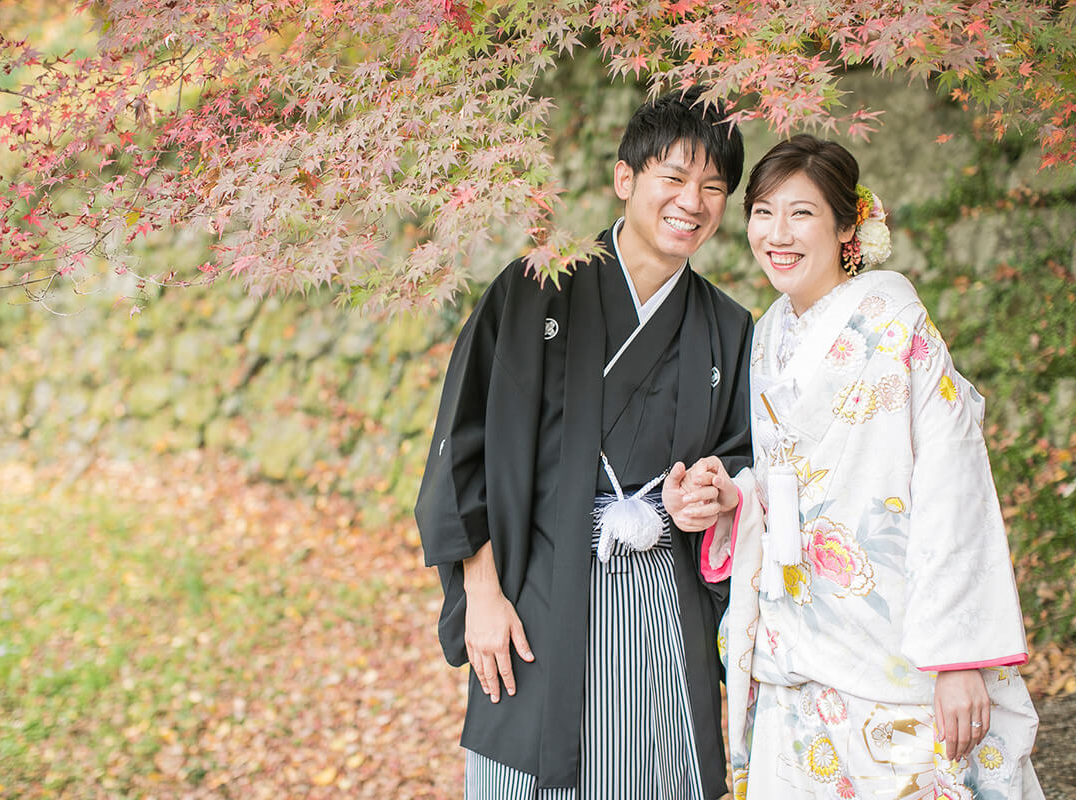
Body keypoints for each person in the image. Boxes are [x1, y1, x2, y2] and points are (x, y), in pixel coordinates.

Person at [665, 134, 1043, 799]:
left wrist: (959, 660)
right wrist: (735, 497)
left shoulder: (896, 325)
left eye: (802, 213)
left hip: (897, 645)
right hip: (796, 644)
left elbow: (954, 486)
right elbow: (796, 481)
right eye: (763, 211)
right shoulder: (768, 337)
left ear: (848, 227)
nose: (777, 234)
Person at [415, 88, 754, 799]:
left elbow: (743, 459)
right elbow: (462, 447)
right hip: (538, 594)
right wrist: (481, 594)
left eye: (714, 186)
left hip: (665, 606)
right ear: (625, 179)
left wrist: (716, 495)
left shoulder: (728, 326)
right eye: (674, 177)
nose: (693, 201)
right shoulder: (536, 289)